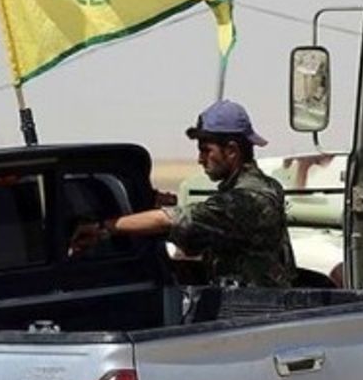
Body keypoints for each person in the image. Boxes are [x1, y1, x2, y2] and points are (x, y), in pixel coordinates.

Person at [70, 99, 296, 288]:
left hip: (257, 309)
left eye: (206, 150)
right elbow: (205, 230)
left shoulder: (249, 199)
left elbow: (171, 220)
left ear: (231, 151)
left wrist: (103, 228)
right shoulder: (261, 187)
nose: (200, 159)